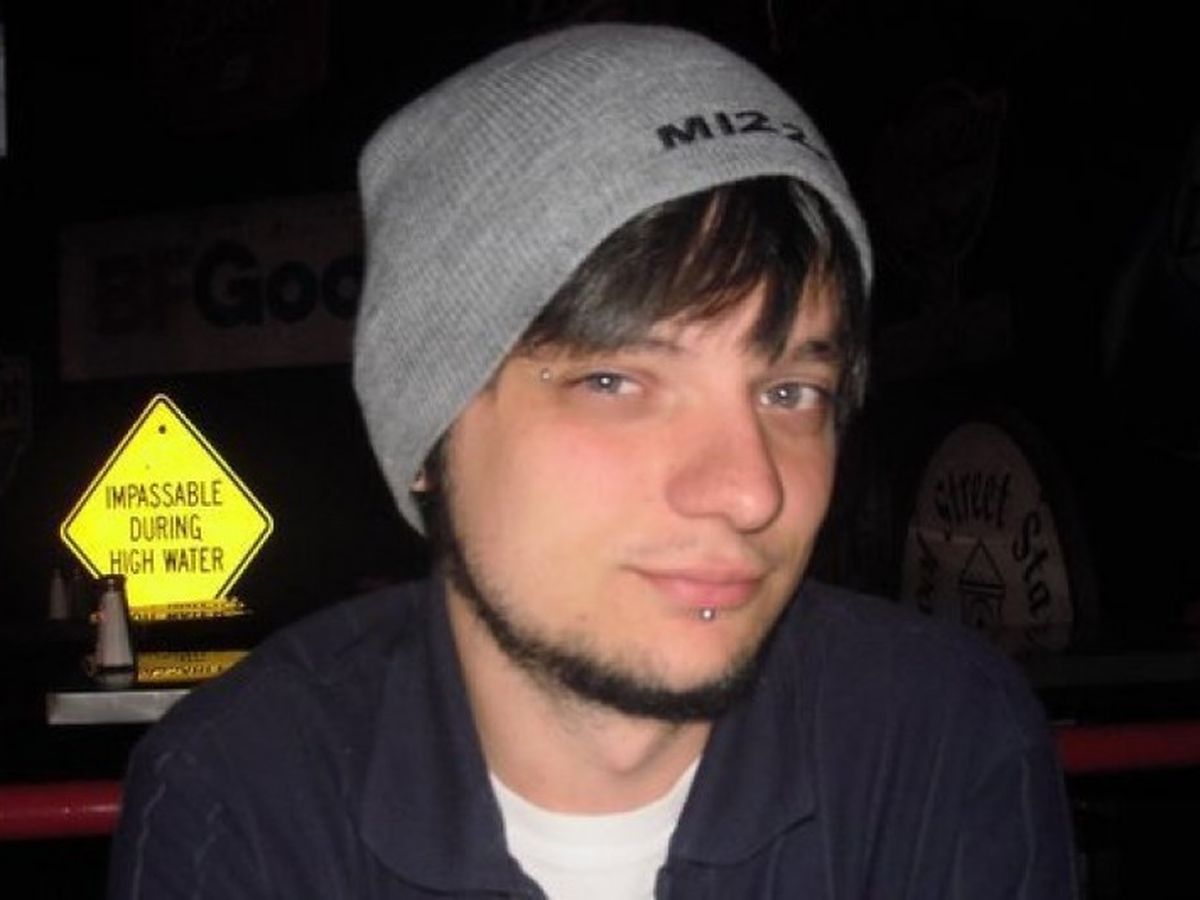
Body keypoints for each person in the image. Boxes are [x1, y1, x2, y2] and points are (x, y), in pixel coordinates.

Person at [108, 23, 1078, 899]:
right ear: (428, 433)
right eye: (614, 382)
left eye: (791, 392)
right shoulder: (247, 792)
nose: (751, 489)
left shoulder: (940, 738)